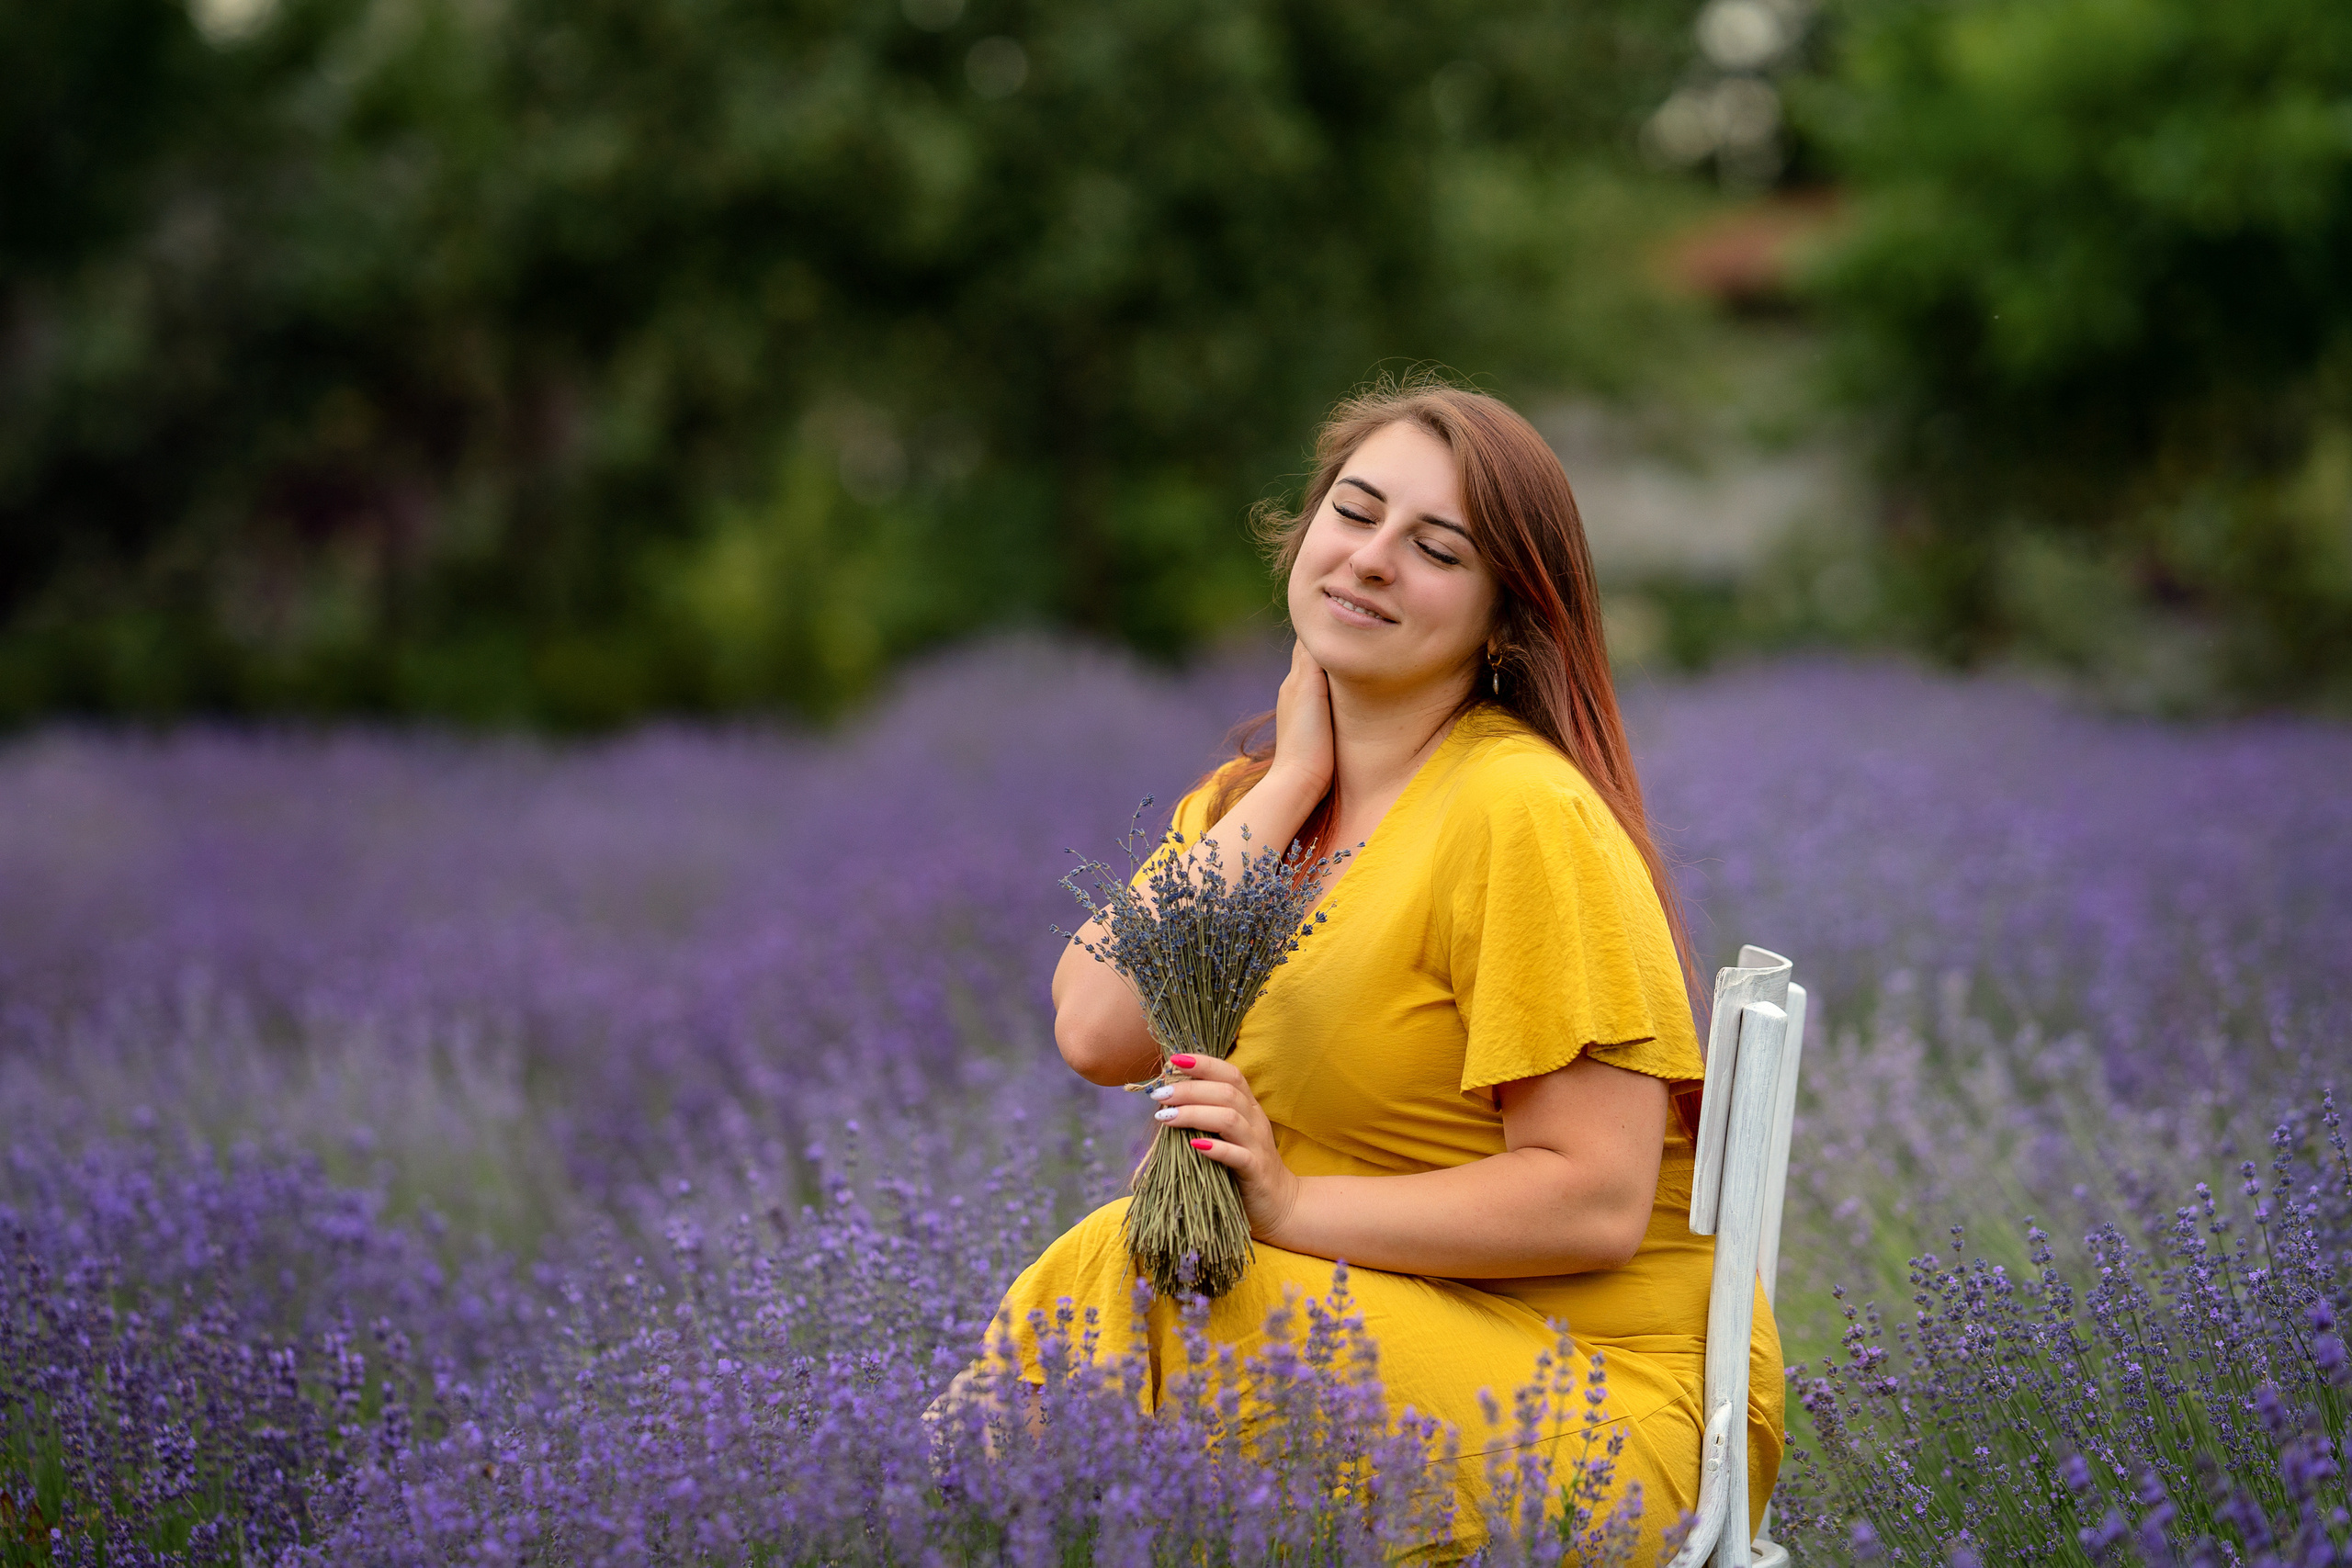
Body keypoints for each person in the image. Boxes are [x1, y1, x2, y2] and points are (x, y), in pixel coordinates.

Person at [944, 379, 1782, 1562]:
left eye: (1437, 548)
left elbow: (1593, 1199)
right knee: (1121, 1285)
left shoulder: (1520, 813)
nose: (1374, 559)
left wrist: (1290, 1205)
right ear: (1304, 533)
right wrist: (1288, 782)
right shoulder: (1252, 808)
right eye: (1355, 510)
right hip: (1377, 1332)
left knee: (1133, 1285)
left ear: (1503, 617)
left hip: (1597, 1401)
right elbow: (1095, 1026)